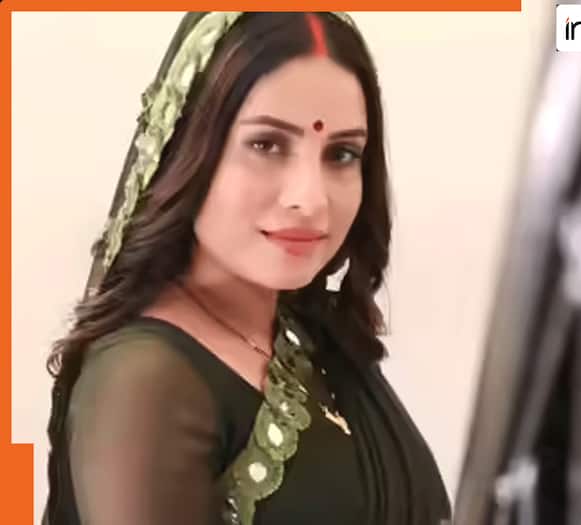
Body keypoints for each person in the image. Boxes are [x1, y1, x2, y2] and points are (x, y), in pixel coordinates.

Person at [42, 11, 451, 525]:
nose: (310, 199)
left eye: (342, 154)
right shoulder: (143, 383)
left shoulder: (308, 330)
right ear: (186, 149)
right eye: (266, 145)